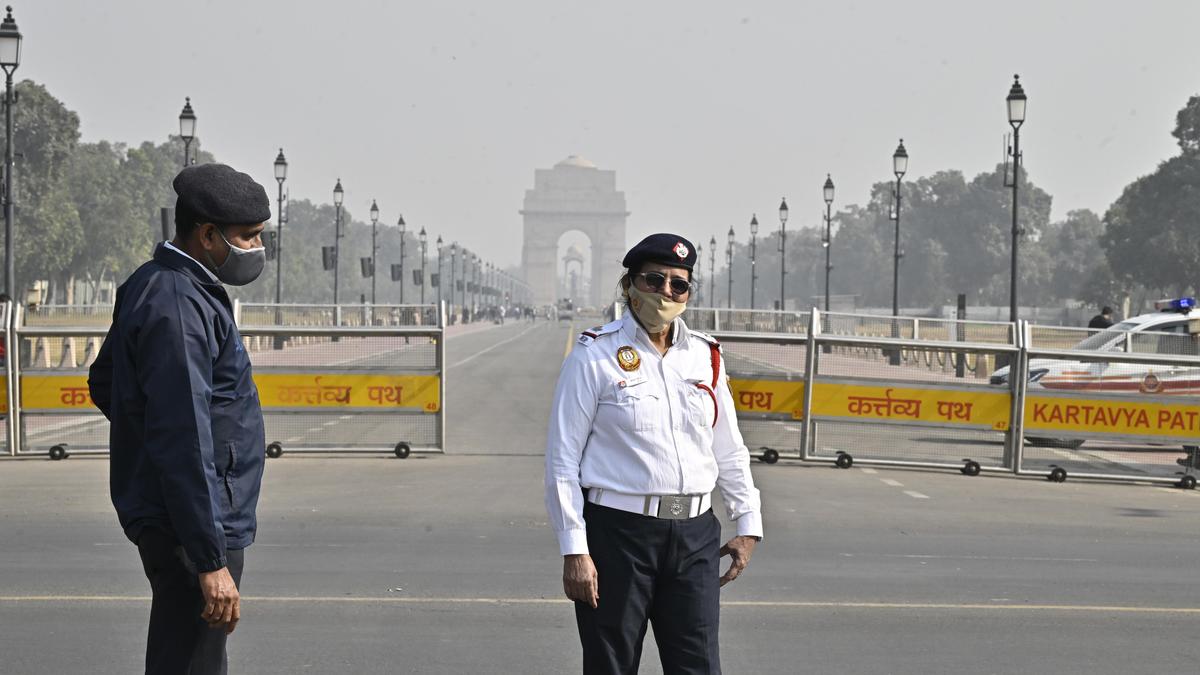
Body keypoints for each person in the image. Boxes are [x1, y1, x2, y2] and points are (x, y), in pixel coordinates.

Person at [545, 233, 763, 674]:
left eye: (678, 285)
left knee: (699, 665)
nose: (666, 292)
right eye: (654, 279)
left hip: (696, 535)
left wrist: (748, 523)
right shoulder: (594, 355)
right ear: (630, 285)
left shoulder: (706, 356)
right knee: (611, 666)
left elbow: (729, 447)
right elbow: (562, 461)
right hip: (619, 535)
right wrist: (574, 549)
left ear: (688, 294)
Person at [88, 163, 270, 675]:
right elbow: (184, 436)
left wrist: (148, 442)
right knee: (192, 662)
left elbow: (107, 383)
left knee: (190, 658)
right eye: (248, 236)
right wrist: (209, 558)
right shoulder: (178, 303)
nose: (258, 248)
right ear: (207, 235)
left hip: (189, 513)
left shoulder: (165, 285)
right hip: (194, 523)